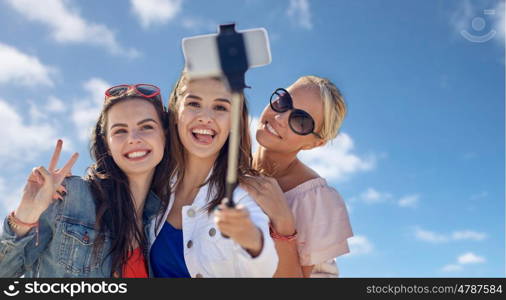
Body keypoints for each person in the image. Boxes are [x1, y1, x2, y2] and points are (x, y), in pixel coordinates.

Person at [0, 84, 171, 277]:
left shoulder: (166, 219)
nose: (133, 138)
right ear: (106, 143)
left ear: (164, 135)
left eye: (146, 126)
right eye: (120, 131)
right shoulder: (68, 197)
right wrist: (24, 217)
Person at [148, 73, 278, 278]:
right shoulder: (153, 181)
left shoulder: (242, 194)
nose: (205, 117)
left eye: (220, 107)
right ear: (175, 112)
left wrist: (252, 240)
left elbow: (264, 270)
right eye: (194, 103)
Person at [244, 75, 353, 277]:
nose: (279, 118)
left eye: (301, 121)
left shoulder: (316, 200)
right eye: (283, 101)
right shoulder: (230, 165)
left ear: (314, 144)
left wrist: (283, 223)